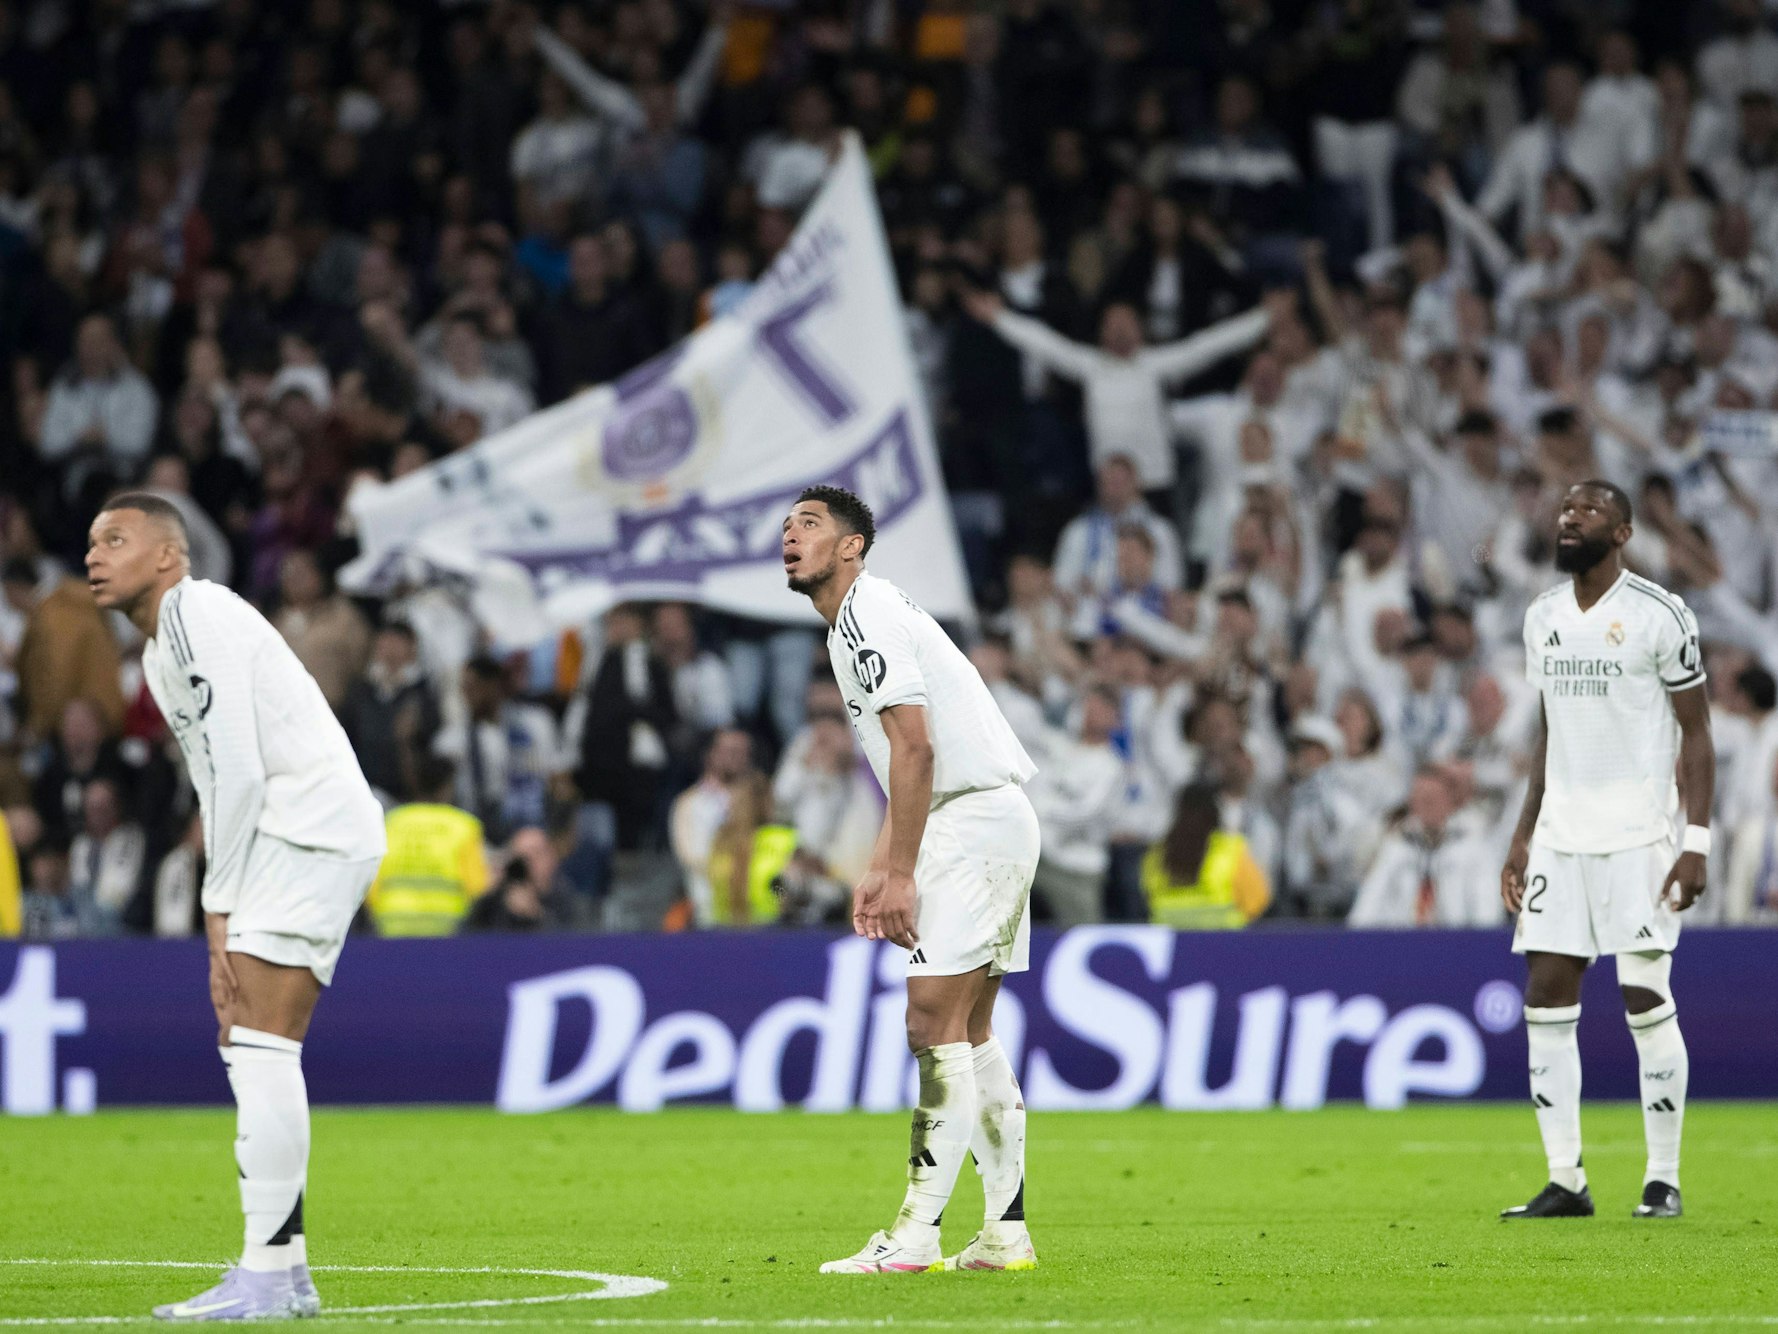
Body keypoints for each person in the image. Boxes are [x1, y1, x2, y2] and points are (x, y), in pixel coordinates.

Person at [84, 492, 386, 1318]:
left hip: (305, 827)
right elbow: (218, 778)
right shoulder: (157, 654)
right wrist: (224, 909)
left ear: (168, 556)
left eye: (116, 539)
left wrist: (219, 901)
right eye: (89, 543)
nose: (93, 556)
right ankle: (282, 1272)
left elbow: (239, 773)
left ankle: (267, 1273)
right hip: (300, 831)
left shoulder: (193, 611)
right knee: (252, 1042)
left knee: (259, 1043)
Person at [784, 485, 1040, 1275]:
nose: (790, 537)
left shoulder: (864, 613)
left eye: (811, 524)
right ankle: (1004, 1233)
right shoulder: (865, 616)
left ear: (852, 546)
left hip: (968, 824)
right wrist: (883, 859)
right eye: (788, 526)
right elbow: (910, 759)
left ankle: (915, 1236)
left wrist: (901, 872)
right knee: (971, 1031)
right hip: (987, 818)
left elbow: (918, 749)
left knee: (931, 1024)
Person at [1499, 480, 1713, 1222]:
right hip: (1562, 837)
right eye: (1563, 509)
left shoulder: (1661, 615)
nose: (1568, 518)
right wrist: (1524, 833)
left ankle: (1662, 1177)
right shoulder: (1543, 617)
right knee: (1545, 1000)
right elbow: (1548, 731)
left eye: (1587, 510)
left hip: (1639, 840)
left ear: (1621, 533)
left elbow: (1699, 733)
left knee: (1645, 1000)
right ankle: (1567, 1180)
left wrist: (1696, 841)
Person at [1139, 783, 1271, 928]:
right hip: (1223, 944)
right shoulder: (1230, 850)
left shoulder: (1156, 855)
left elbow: (1147, 897)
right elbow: (1257, 900)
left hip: (1170, 945)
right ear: (1215, 810)